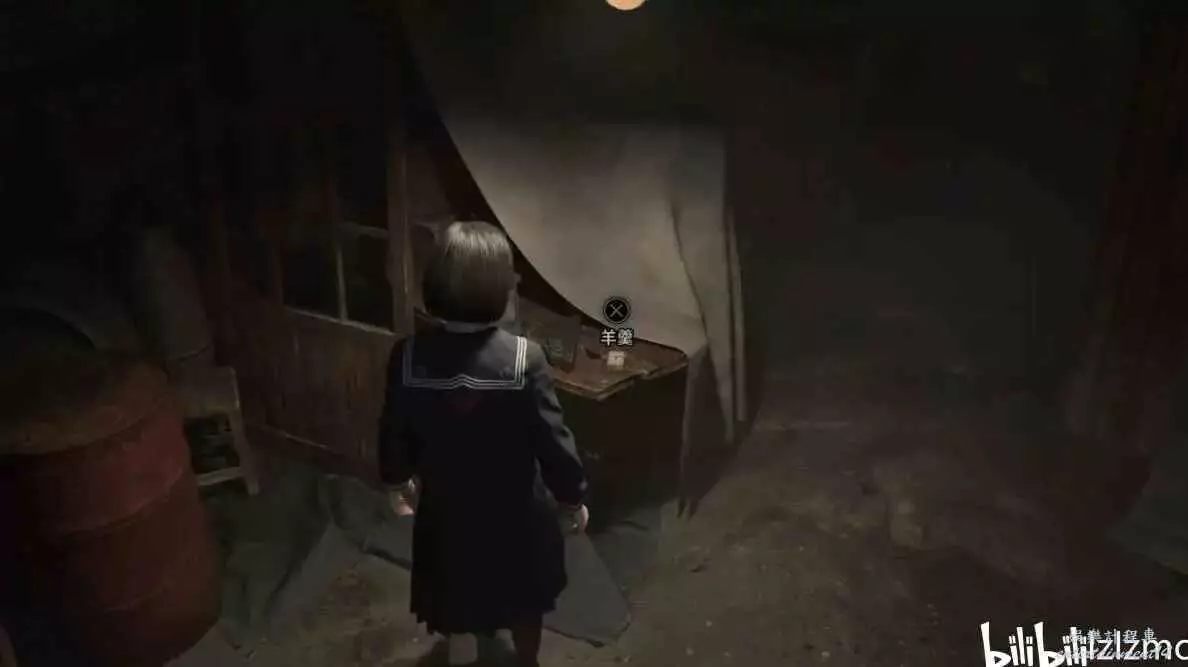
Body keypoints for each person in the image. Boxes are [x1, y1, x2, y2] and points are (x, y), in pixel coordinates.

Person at [378, 221, 590, 667]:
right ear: (500, 287)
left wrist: (397, 481)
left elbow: (394, 430)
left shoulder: (407, 356)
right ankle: (526, 661)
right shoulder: (525, 358)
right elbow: (554, 442)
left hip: (446, 513)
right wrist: (572, 499)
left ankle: (461, 656)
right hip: (517, 516)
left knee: (455, 598)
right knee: (525, 602)